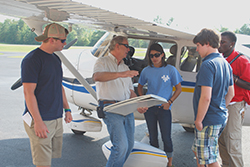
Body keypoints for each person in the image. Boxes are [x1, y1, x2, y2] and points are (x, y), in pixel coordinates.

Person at [21, 23, 73, 167]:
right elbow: (28, 93)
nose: (65, 43)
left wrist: (67, 109)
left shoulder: (55, 59)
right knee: (43, 163)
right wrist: (38, 121)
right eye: (62, 40)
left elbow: (59, 86)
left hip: (56, 118)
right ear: (51, 40)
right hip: (41, 119)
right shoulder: (32, 60)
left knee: (50, 158)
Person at [92, 36, 147, 167]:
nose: (128, 49)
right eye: (126, 46)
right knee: (121, 146)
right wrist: (120, 74)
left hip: (126, 109)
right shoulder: (102, 62)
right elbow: (97, 76)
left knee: (129, 145)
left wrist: (139, 103)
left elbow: (130, 92)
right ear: (117, 46)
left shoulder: (125, 67)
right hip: (111, 108)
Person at [191, 28, 234, 167]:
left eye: (198, 45)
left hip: (208, 119)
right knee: (199, 151)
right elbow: (231, 93)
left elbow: (206, 97)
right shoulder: (225, 64)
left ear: (207, 43)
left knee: (209, 159)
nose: (197, 49)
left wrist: (198, 120)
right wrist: (220, 108)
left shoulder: (208, 65)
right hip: (219, 117)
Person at [138, 43, 183, 167]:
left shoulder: (170, 70)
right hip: (150, 109)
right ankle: (156, 161)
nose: (154, 58)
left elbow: (179, 89)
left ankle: (169, 162)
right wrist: (143, 100)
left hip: (164, 109)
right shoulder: (146, 71)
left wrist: (170, 102)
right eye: (151, 56)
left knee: (166, 137)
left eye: (157, 55)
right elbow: (140, 86)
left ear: (162, 54)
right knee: (153, 137)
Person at [218, 31, 250, 167]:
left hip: (234, 105)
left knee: (233, 142)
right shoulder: (220, 58)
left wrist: (234, 78)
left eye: (223, 42)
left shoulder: (242, 60)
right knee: (222, 141)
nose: (219, 44)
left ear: (232, 44)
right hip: (222, 104)